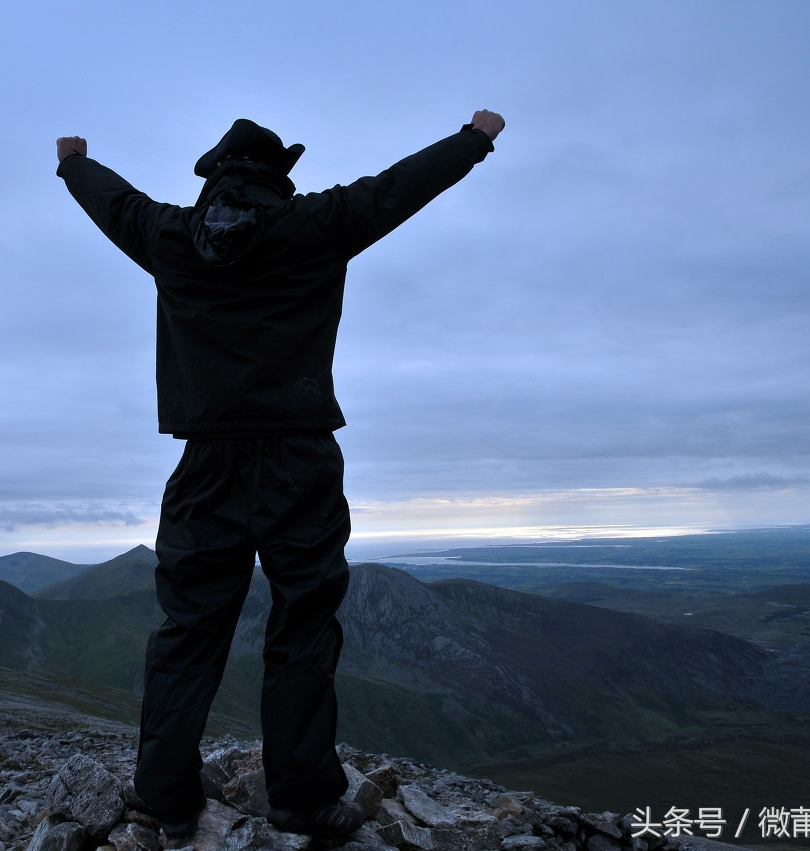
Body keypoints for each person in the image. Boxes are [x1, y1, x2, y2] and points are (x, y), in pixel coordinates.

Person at [55, 108, 505, 839]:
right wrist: (474, 140)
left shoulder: (172, 236)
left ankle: (166, 792)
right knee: (303, 624)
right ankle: (300, 793)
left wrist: (74, 162)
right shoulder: (314, 225)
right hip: (300, 457)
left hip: (206, 461)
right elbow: (396, 189)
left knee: (188, 628)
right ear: (276, 176)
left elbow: (115, 204)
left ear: (215, 175)